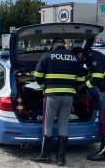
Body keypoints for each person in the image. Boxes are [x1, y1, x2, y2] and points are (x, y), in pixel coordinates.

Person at [31, 37, 85, 166]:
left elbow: (37, 76)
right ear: (64, 45)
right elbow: (81, 79)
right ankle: (61, 158)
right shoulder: (74, 57)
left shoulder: (47, 55)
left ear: (53, 46)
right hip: (68, 96)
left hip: (52, 95)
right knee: (63, 124)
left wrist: (45, 87)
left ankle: (45, 156)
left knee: (48, 123)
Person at [72, 47, 105, 162]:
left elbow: (97, 78)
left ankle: (104, 152)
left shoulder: (93, 58)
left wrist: (82, 87)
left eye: (75, 58)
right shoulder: (91, 57)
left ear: (80, 54)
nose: (76, 60)